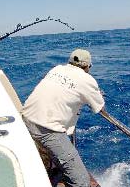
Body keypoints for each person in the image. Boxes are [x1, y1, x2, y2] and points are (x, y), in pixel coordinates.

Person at [22, 49, 105, 187]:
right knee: (82, 182)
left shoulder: (57, 69)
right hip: (47, 130)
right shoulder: (87, 79)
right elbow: (99, 107)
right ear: (87, 66)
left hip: (26, 120)